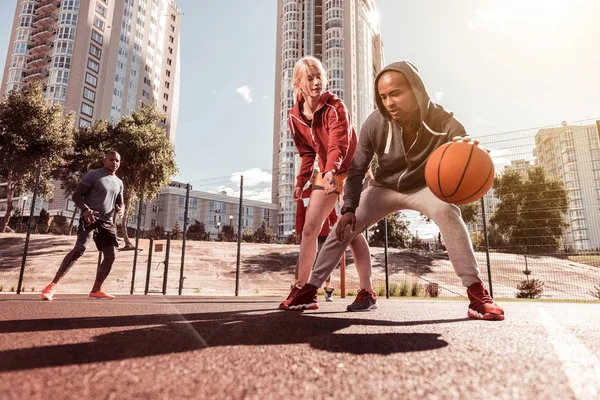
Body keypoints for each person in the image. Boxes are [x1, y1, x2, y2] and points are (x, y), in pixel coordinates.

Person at [284, 61, 505, 320]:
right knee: (343, 227)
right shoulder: (375, 123)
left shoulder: (440, 117)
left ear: (415, 89)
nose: (389, 102)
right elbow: (356, 171)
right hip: (383, 187)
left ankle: (477, 294)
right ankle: (310, 290)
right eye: (384, 96)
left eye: (396, 93)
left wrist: (469, 149)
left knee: (447, 211)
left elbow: (460, 138)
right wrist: (348, 208)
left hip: (423, 187)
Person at [279, 56, 374, 311]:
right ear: (298, 83)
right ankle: (302, 289)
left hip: (352, 171)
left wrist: (330, 170)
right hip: (327, 172)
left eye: (319, 76)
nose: (316, 81)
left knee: (350, 231)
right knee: (310, 228)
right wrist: (301, 182)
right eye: (310, 78)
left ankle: (367, 291)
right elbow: (307, 152)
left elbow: (338, 143)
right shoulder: (294, 117)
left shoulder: (335, 106)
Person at [40, 150, 124, 301]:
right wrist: (85, 210)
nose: (114, 163)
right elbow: (76, 196)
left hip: (107, 222)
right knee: (81, 248)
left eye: (117, 160)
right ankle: (52, 286)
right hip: (90, 217)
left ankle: (96, 290)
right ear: (104, 160)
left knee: (111, 256)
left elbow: (120, 202)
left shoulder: (119, 182)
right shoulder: (93, 175)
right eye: (111, 160)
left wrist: (120, 208)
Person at [295, 169, 338, 302]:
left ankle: (328, 289)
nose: (314, 179)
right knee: (302, 259)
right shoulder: (305, 194)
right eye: (312, 177)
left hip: (324, 232)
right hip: (309, 233)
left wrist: (336, 226)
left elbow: (331, 212)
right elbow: (300, 214)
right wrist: (298, 231)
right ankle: (297, 286)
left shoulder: (325, 190)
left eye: (316, 176)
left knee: (325, 260)